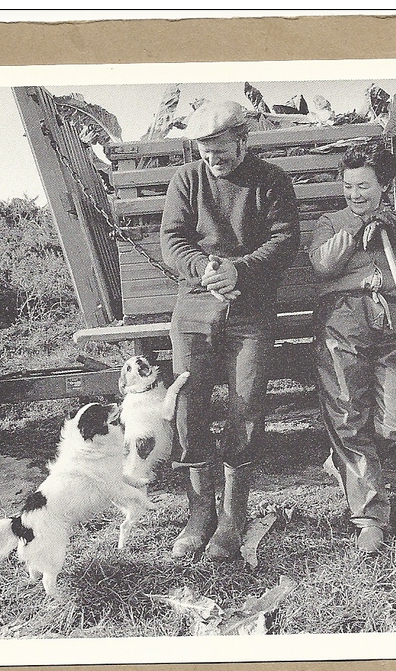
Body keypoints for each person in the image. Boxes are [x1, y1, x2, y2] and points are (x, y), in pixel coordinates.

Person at [160, 100, 300, 560]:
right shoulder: (186, 180)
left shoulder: (273, 182)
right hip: (195, 306)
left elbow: (284, 241)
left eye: (222, 149)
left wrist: (239, 271)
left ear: (243, 140)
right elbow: (172, 239)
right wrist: (203, 267)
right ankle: (200, 512)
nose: (214, 159)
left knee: (247, 406)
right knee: (187, 407)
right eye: (205, 151)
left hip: (251, 307)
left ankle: (234, 514)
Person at [309, 143, 396, 554]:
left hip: (392, 323)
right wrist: (353, 234)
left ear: (384, 185)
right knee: (349, 417)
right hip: (343, 323)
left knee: (395, 424)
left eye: (363, 186)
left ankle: (349, 464)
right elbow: (322, 265)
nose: (355, 194)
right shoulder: (331, 222)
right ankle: (370, 518)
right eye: (348, 186)